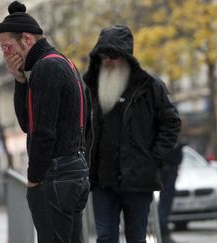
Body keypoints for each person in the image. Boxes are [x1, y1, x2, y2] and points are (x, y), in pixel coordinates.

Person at [0, 1, 90, 243]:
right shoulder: (62, 62)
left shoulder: (46, 68)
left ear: (27, 39)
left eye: (7, 47)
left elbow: (40, 131)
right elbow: (30, 122)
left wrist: (34, 177)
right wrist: (19, 81)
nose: (6, 55)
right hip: (75, 169)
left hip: (56, 173)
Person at [83, 25, 181, 243]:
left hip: (138, 181)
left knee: (136, 237)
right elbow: (80, 127)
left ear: (126, 56)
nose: (108, 60)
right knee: (105, 237)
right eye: (103, 55)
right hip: (102, 181)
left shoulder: (149, 86)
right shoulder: (89, 87)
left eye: (114, 55)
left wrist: (154, 158)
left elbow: (171, 123)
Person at [158, 141, 185, 243]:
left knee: (164, 206)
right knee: (164, 208)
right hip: (167, 177)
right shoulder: (170, 144)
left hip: (167, 176)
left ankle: (163, 232)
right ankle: (163, 232)